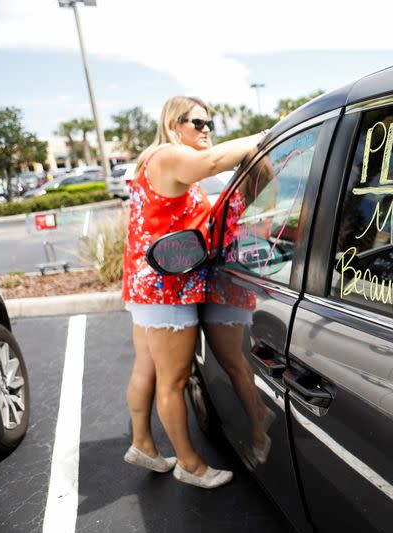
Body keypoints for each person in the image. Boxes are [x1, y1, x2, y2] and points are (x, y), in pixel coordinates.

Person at [121, 95, 267, 488]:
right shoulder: (168, 155)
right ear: (173, 125)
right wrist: (269, 135)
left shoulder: (161, 164)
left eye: (209, 124)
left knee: (148, 370)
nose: (206, 130)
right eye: (197, 123)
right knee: (175, 379)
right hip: (165, 288)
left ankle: (143, 444)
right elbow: (215, 162)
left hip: (147, 284)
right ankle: (190, 464)